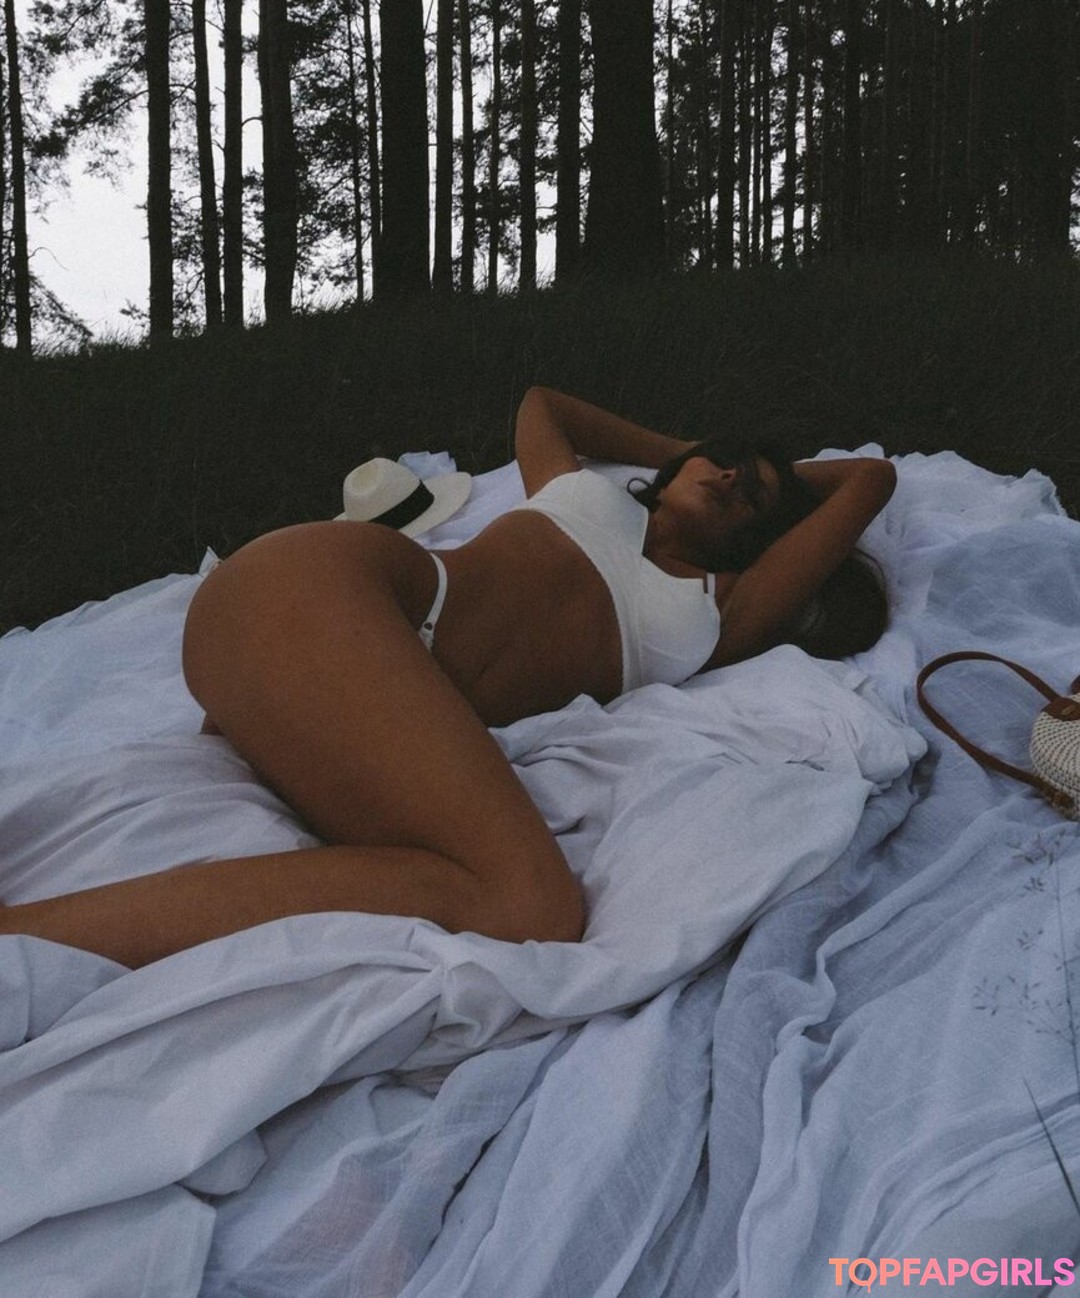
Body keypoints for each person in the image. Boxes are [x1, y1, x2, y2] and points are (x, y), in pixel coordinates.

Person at [0, 387, 896, 967]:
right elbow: (544, 404)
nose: (733, 479)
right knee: (531, 903)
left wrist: (758, 487)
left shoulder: (721, 608)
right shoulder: (577, 491)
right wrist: (689, 451)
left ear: (763, 540)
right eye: (726, 464)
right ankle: (23, 941)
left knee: (524, 906)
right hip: (340, 592)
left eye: (755, 495)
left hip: (315, 657)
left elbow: (871, 477)